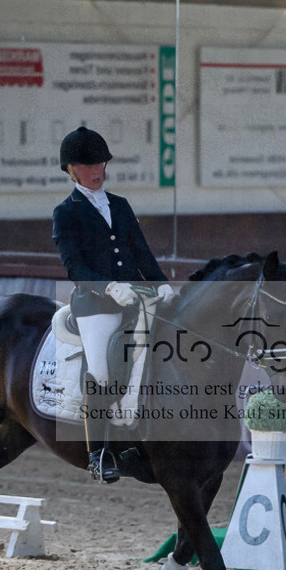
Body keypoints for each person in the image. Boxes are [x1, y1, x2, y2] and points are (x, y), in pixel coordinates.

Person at [52, 126, 173, 483]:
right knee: (103, 374)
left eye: (100, 162)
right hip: (94, 306)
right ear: (72, 170)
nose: (97, 170)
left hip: (134, 299)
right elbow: (74, 267)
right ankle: (97, 453)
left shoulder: (120, 205)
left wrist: (162, 285)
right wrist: (107, 287)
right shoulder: (66, 212)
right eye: (88, 165)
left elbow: (141, 253)